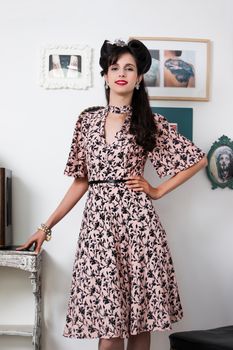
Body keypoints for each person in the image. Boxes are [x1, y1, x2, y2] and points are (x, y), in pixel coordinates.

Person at [17, 38, 207, 350]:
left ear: (139, 77)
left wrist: (157, 190)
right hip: (99, 232)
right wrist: (45, 226)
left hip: (140, 230)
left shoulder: (149, 122)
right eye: (114, 67)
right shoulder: (87, 120)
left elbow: (197, 159)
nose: (121, 73)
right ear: (105, 75)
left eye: (129, 68)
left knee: (140, 323)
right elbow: (81, 181)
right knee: (109, 331)